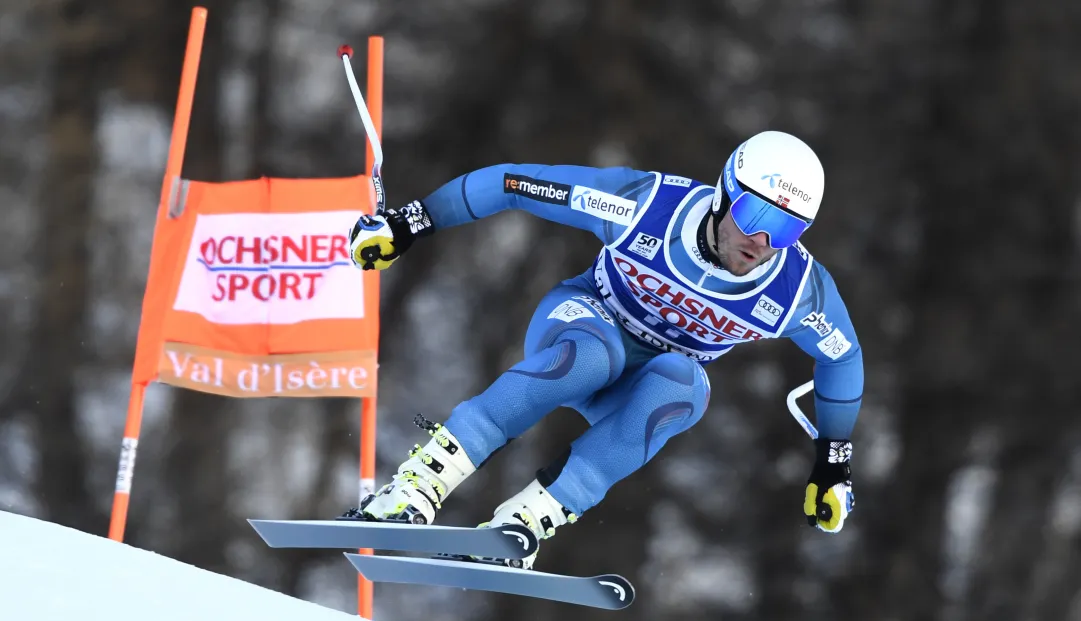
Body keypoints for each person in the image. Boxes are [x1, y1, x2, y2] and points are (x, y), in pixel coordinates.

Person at [342, 130, 862, 569]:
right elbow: (510, 184)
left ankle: (521, 525)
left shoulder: (798, 290)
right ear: (726, 193)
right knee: (594, 357)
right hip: (581, 326)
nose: (763, 242)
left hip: (640, 386)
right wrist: (409, 223)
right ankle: (417, 487)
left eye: (788, 230)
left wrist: (833, 461)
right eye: (754, 216)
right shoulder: (643, 206)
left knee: (686, 386)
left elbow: (842, 356)